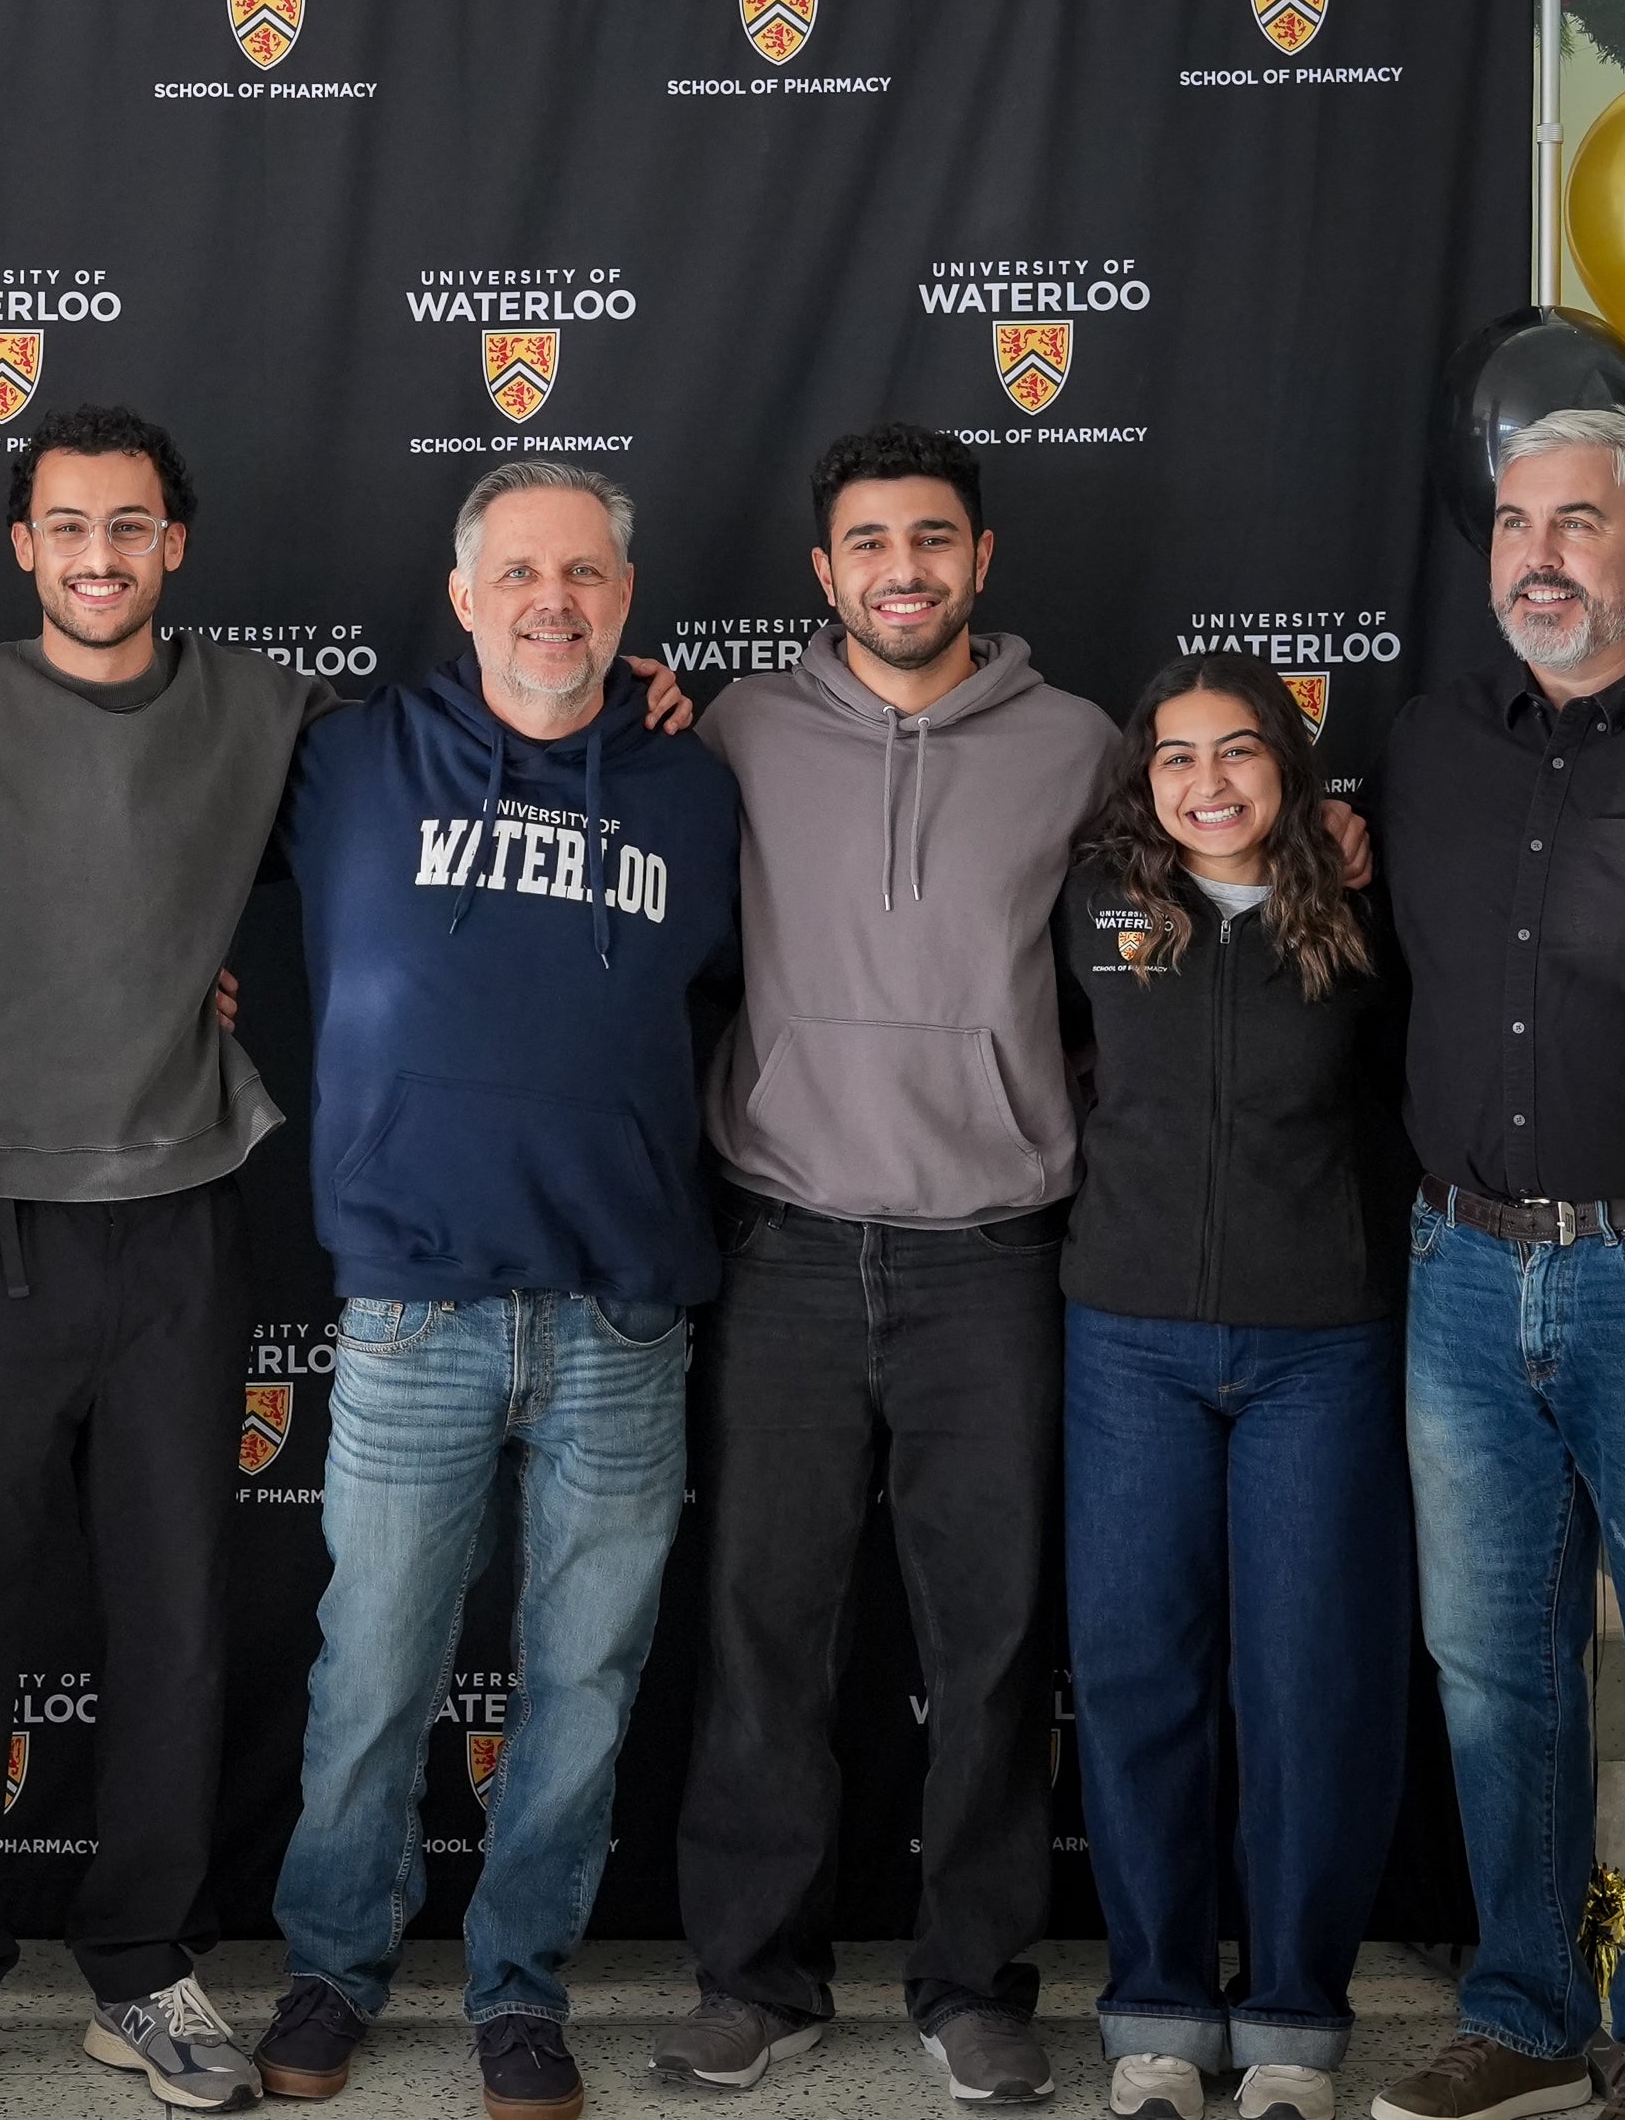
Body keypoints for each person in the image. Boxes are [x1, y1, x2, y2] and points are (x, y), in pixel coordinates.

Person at [0, 408, 683, 2118]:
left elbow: (478, 741)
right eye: (68, 527)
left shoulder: (270, 711)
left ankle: (146, 1971)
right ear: (21, 547)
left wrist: (638, 685)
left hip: (179, 1215)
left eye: (132, 527)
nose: (100, 555)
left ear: (178, 544)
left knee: (173, 1615)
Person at [251, 463, 739, 2120]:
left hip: (621, 1314)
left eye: (587, 573)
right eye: (520, 571)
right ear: (462, 597)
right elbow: (119, 753)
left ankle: (520, 1983)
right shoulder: (340, 758)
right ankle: (332, 1959)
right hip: (414, 1307)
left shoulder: (695, 784)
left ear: (626, 598)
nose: (555, 600)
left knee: (585, 1680)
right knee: (376, 1663)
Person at [659, 422, 1115, 2108]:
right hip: (782, 1241)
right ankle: (753, 1976)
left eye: (932, 539)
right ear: (823, 569)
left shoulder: (1081, 745)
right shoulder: (737, 731)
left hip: (993, 1256)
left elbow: (1176, 930)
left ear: (979, 560)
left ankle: (974, 1979)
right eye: (868, 543)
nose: (902, 569)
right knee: (765, 1627)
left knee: (990, 1639)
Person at [1370, 405, 1625, 2120]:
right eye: (1511, 525)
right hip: (1463, 1270)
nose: (1538, 556)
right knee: (1497, 1666)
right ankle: (1529, 2005)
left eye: (1576, 523)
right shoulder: (1430, 740)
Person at [1054, 653, 1409, 2120]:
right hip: (1127, 1339)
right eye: (1177, 755)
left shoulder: (1362, 908)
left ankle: (1292, 2020)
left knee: (1310, 1684)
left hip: (1315, 1344)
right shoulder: (1089, 898)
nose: (1209, 781)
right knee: (1139, 1674)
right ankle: (1153, 2009)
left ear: (1290, 768)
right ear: (1142, 774)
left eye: (1241, 751)